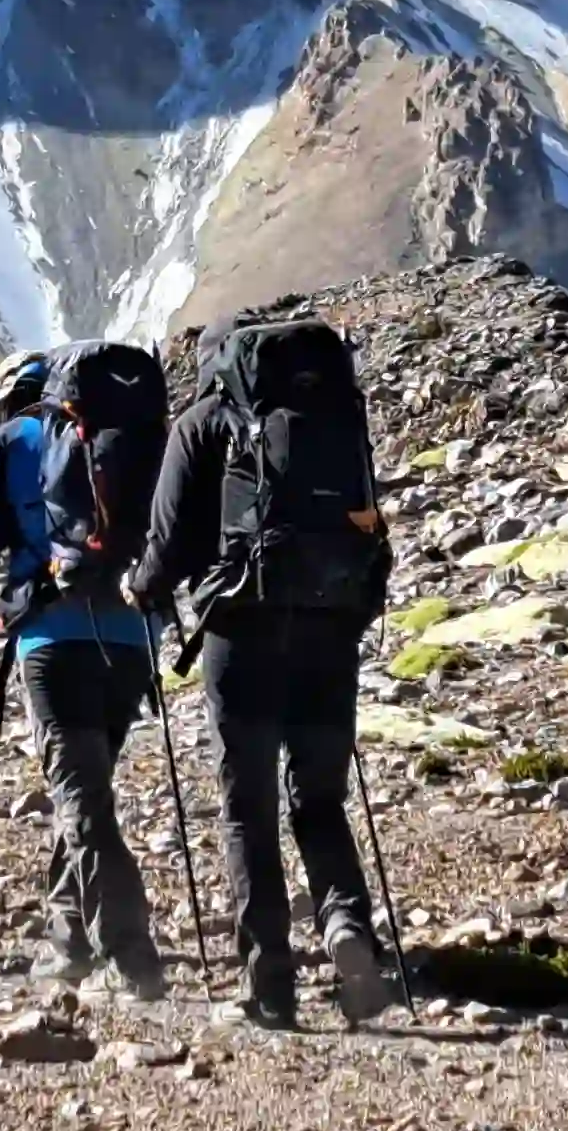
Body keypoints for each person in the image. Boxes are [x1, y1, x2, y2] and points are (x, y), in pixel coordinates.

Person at [132, 312, 392, 1028]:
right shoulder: (334, 411)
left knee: (248, 807)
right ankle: (347, 928)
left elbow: (169, 541)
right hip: (330, 624)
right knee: (320, 798)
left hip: (242, 630)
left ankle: (270, 981)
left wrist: (141, 587)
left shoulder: (206, 420)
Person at [0, 340, 172, 996]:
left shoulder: (12, 439)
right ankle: (67, 938)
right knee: (89, 790)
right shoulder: (134, 436)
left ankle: (133, 956)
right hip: (133, 639)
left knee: (81, 799)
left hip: (53, 640)